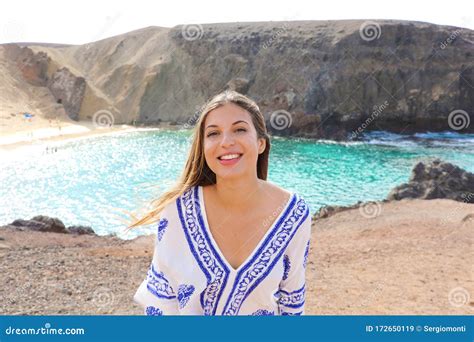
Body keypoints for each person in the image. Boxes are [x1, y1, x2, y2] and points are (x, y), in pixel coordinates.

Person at [129, 90, 312, 316]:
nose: (226, 142)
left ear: (261, 143)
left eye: (240, 129)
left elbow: (292, 304)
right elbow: (161, 304)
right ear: (204, 147)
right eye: (213, 133)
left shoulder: (294, 213)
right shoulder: (178, 212)